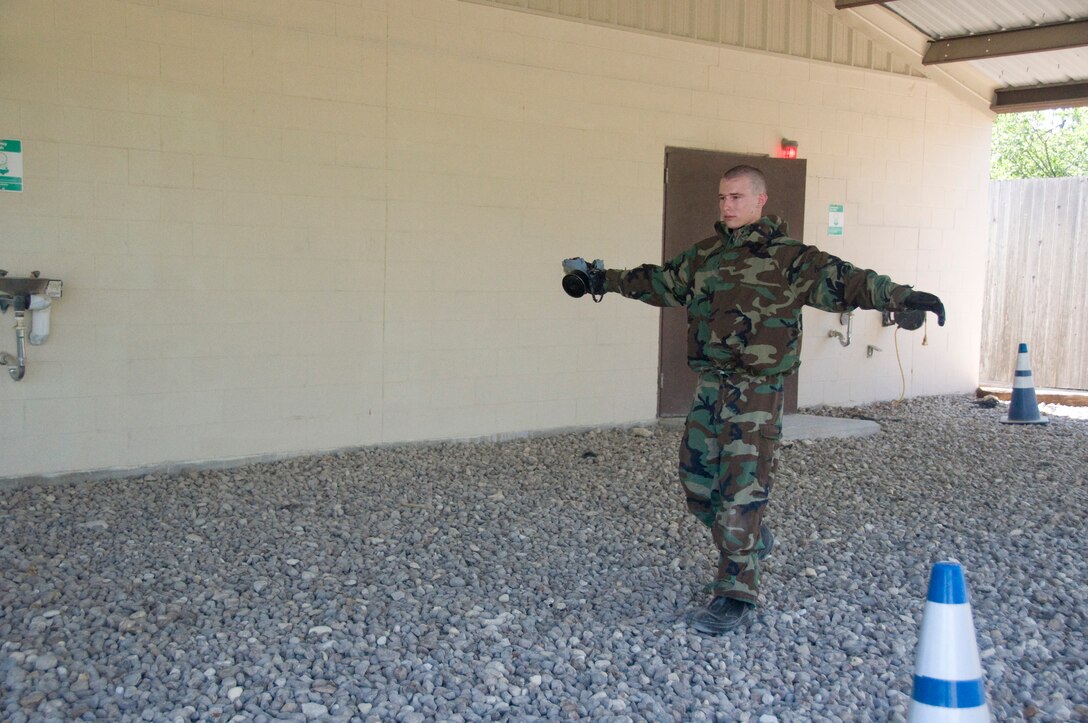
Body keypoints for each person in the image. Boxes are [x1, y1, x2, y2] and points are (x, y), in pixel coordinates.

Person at [563, 164, 945, 635]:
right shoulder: (705, 256)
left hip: (758, 391)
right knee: (698, 483)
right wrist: (600, 280)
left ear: (761, 200)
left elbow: (848, 281)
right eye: (722, 197)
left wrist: (905, 297)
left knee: (742, 492)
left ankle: (736, 592)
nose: (727, 206)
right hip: (710, 387)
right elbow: (659, 282)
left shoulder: (790, 259)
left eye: (737, 198)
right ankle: (749, 539)